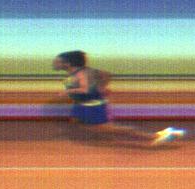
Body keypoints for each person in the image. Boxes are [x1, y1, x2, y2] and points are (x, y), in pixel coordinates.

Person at [52, 50, 185, 147]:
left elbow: (86, 88)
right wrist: (101, 87)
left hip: (92, 107)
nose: (54, 63)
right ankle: (106, 137)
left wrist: (68, 91)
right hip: (82, 106)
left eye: (58, 61)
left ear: (67, 63)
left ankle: (156, 136)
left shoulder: (81, 73)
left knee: (109, 128)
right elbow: (105, 75)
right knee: (81, 123)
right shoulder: (77, 72)